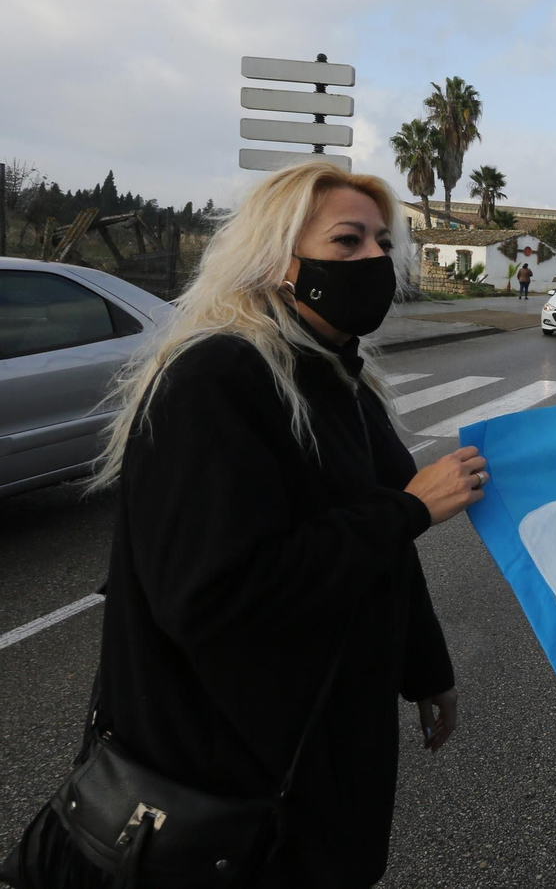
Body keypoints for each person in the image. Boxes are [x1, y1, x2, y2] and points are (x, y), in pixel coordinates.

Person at [5, 163, 484, 888]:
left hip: (315, 749)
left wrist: (426, 668)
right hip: (220, 775)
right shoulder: (217, 380)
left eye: (383, 244)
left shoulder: (340, 380)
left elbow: (384, 548)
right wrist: (410, 506)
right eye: (347, 241)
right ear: (274, 259)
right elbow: (212, 592)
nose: (375, 262)